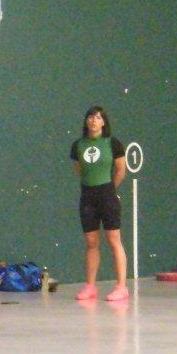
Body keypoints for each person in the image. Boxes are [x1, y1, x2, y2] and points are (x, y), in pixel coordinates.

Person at [69, 105, 127, 301]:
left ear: (103, 122)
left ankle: (121, 286)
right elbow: (79, 171)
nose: (93, 120)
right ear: (86, 121)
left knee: (113, 240)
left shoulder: (113, 143)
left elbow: (120, 170)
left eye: (98, 117)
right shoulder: (78, 145)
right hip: (87, 197)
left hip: (107, 196)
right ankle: (90, 286)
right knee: (91, 242)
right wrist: (91, 187)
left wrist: (110, 189)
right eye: (90, 117)